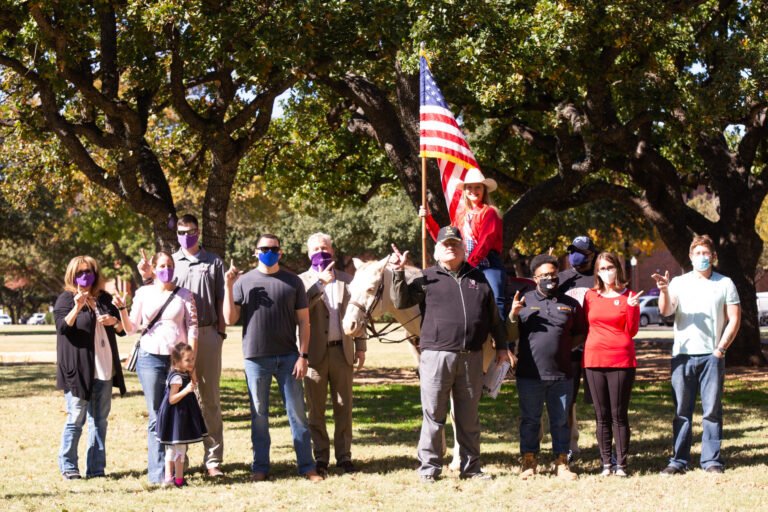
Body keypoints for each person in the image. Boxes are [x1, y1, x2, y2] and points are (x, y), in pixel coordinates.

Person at [389, 226, 511, 483]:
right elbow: (401, 301)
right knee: (434, 414)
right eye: (445, 243)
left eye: (455, 243)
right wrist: (399, 271)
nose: (450, 247)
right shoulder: (427, 277)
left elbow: (494, 319)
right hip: (436, 355)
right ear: (437, 251)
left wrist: (502, 346)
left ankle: (471, 467)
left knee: (468, 416)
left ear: (462, 249)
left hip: (471, 356)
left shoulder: (478, 278)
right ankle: (429, 468)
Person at [223, 233, 323, 482]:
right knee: (259, 415)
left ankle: (307, 466)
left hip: (289, 357)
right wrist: (227, 285)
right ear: (255, 251)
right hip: (256, 359)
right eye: (264, 248)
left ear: (280, 251)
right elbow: (229, 319)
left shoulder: (293, 282)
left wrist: (303, 355)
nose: (269, 251)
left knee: (298, 413)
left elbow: (304, 321)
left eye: (273, 248)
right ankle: (260, 467)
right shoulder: (243, 282)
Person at [137, 214, 227, 477]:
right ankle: (178, 463)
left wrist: (219, 333)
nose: (186, 235)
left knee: (208, 399)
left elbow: (222, 298)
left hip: (205, 334)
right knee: (177, 399)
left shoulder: (213, 261)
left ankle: (213, 460)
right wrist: (145, 276)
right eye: (181, 231)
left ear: (199, 232)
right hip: (175, 340)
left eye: (191, 231)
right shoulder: (169, 261)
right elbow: (155, 296)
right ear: (175, 233)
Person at [653, 235, 741, 475]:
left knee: (712, 411)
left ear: (713, 256)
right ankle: (678, 461)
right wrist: (663, 291)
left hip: (712, 357)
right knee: (682, 410)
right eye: (698, 253)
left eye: (706, 253)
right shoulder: (679, 283)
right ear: (690, 257)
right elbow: (666, 311)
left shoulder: (725, 283)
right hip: (682, 356)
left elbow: (734, 319)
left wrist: (720, 349)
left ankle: (711, 460)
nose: (702, 257)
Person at [116, 251, 198, 485]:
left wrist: (191, 363)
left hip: (176, 362)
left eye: (170, 265)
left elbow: (193, 330)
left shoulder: (185, 295)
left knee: (178, 412)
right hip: (149, 358)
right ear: (153, 268)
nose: (167, 269)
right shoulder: (143, 293)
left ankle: (179, 470)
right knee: (156, 415)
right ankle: (159, 473)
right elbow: (131, 328)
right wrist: (122, 309)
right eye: (162, 265)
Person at [508, 253, 586, 480]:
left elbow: (581, 333)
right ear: (535, 278)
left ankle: (562, 462)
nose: (549, 278)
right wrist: (513, 315)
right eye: (544, 275)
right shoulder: (523, 300)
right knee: (530, 420)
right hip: (529, 374)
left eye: (553, 274)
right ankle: (529, 461)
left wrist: (562, 348)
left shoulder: (570, 304)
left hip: (562, 374)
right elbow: (510, 334)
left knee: (561, 421)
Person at [299, 232, 367, 476]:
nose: (321, 251)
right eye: (316, 248)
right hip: (314, 355)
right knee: (315, 409)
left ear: (333, 250)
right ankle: (321, 457)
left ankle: (344, 456)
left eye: (325, 247)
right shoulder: (301, 281)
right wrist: (321, 284)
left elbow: (360, 314)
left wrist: (361, 346)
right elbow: (301, 308)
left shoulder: (348, 280)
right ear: (308, 254)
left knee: (343, 406)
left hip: (342, 350)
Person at [54, 256, 127, 480]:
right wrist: (76, 307)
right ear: (72, 275)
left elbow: (123, 329)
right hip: (78, 371)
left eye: (89, 271)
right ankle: (68, 466)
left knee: (100, 421)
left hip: (104, 369)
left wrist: (113, 322)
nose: (85, 276)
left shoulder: (104, 298)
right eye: (80, 272)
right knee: (76, 418)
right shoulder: (66, 299)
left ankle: (96, 469)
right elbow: (62, 328)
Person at [582, 252, 642, 477]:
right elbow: (584, 324)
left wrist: (632, 307)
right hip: (594, 359)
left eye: (610, 267)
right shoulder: (590, 296)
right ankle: (606, 463)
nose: (607, 272)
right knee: (601, 415)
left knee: (619, 414)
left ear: (618, 268)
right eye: (602, 268)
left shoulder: (630, 295)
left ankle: (621, 464)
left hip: (621, 360)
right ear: (597, 272)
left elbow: (632, 330)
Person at [421, 167, 505, 319]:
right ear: (465, 191)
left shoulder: (490, 212)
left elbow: (486, 241)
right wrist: (427, 219)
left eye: (477, 187)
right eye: (469, 187)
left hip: (487, 262)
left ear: (484, 190)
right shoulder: (460, 215)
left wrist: (470, 264)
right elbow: (447, 240)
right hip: (464, 263)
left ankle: (502, 339)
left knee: (496, 295)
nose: (473, 190)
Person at [557, 235, 599, 460]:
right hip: (570, 348)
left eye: (582, 251)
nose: (576, 255)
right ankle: (570, 443)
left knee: (600, 399)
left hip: (596, 348)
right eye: (573, 250)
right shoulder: (562, 279)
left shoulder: (600, 278)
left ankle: (605, 442)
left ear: (592, 254)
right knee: (568, 398)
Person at [156, 342, 208, 488]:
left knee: (179, 448)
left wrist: (192, 372)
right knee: (175, 448)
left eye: (192, 359)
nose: (191, 362)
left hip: (182, 415)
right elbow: (172, 399)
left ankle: (176, 479)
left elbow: (195, 382)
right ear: (177, 361)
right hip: (176, 417)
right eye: (187, 360)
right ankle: (172, 479)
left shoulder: (183, 373)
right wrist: (186, 390)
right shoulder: (177, 378)